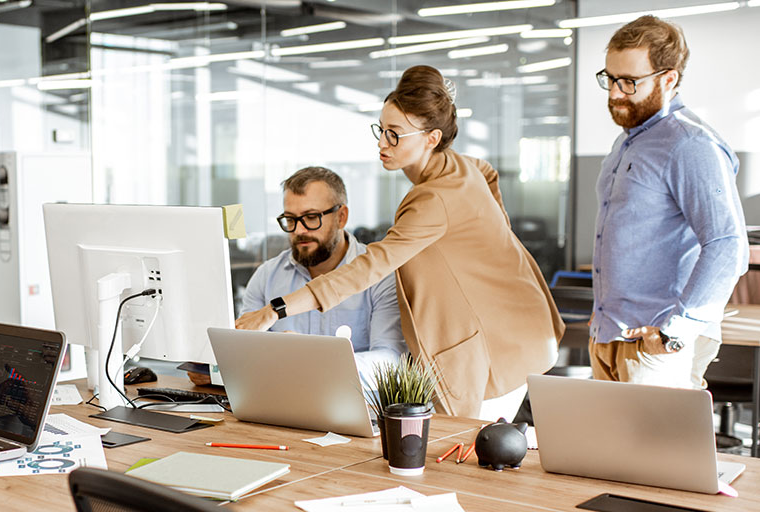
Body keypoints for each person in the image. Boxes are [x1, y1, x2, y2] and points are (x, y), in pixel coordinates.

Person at [236, 66, 564, 420]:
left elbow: (368, 267)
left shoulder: (432, 200)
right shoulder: (462, 167)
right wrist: (494, 247)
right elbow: (488, 172)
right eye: (381, 130)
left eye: (394, 135)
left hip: (499, 348)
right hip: (523, 328)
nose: (382, 144)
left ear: (431, 138)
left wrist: (277, 309)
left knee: (461, 456)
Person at [589, 16, 747, 388]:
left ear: (668, 78)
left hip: (656, 342)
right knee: (603, 447)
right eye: (610, 79)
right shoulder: (628, 141)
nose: (614, 93)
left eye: (629, 82)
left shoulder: (691, 145)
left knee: (657, 448)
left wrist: (674, 333)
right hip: (610, 333)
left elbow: (727, 245)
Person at [191, 166, 405, 389]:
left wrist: (312, 359)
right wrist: (216, 369)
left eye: (311, 217)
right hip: (280, 403)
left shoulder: (380, 277)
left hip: (356, 409)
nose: (300, 230)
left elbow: (391, 362)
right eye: (291, 219)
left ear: (341, 217)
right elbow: (244, 352)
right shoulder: (266, 277)